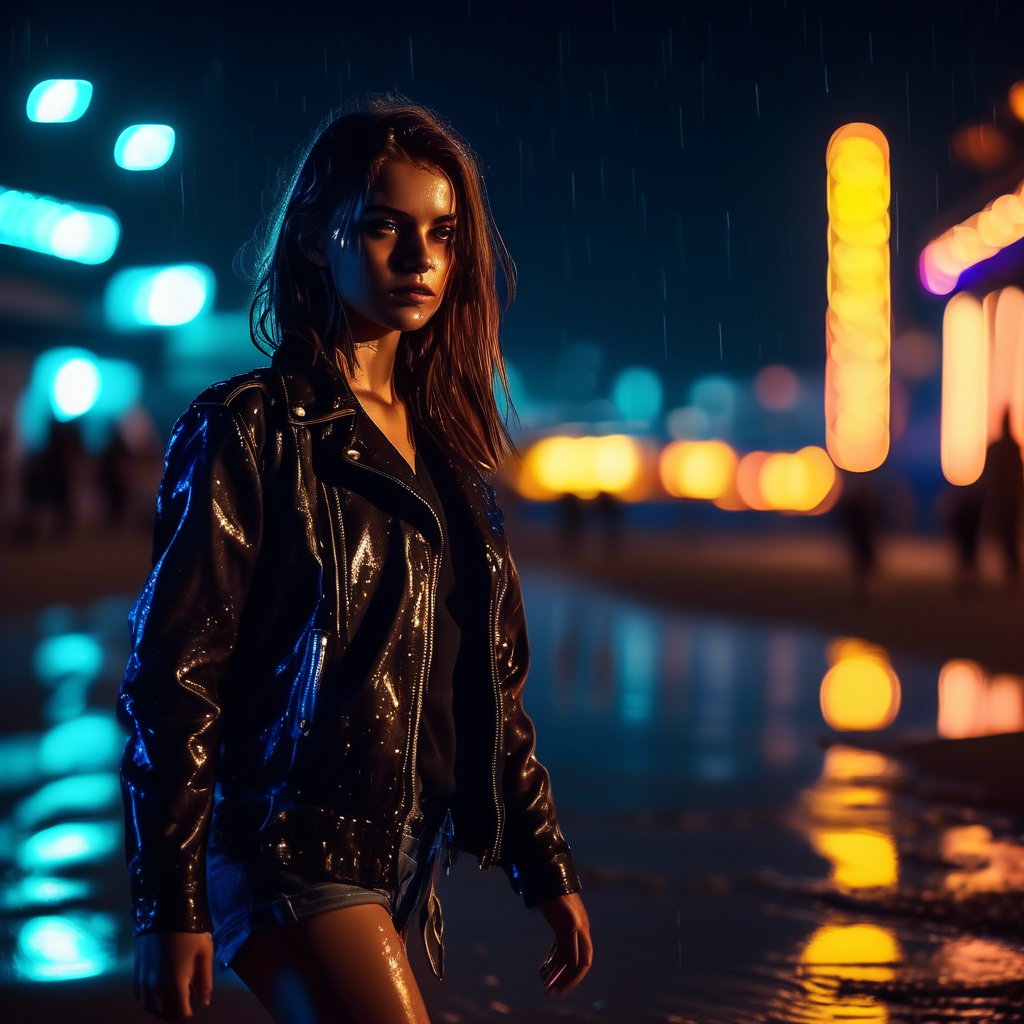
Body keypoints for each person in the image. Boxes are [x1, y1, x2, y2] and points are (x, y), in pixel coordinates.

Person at [117, 93, 592, 1023]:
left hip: (400, 857)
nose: (421, 260)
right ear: (313, 239)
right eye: (385, 228)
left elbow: (490, 689)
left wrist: (545, 864)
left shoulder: (452, 462)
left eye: (443, 235)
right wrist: (166, 900)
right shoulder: (249, 428)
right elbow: (174, 677)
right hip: (287, 847)